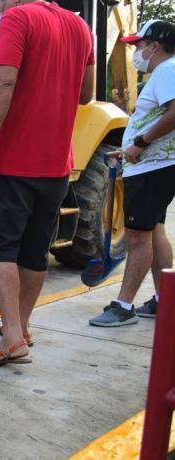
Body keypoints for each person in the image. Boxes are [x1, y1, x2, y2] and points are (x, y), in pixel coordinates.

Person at [0, 0, 95, 364]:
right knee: (35, 249)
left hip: (14, 161)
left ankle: (11, 338)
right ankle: (22, 326)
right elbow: (86, 94)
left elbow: (4, 79)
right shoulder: (79, 27)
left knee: (0, 247)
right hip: (57, 165)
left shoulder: (17, 19)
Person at [89, 20, 175, 327]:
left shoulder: (166, 70)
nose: (136, 52)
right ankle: (167, 301)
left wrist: (139, 143)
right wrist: (128, 149)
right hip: (154, 164)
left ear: (153, 46)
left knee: (138, 237)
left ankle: (123, 306)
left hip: (154, 167)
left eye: (138, 45)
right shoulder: (165, 72)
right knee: (153, 231)